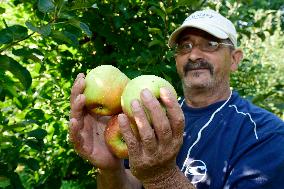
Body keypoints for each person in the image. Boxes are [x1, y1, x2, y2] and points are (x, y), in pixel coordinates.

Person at [69, 9, 284, 189]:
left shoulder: (266, 134)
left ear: (235, 59)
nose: (193, 55)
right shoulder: (148, 115)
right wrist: (111, 169)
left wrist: (163, 178)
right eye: (185, 46)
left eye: (210, 44)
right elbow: (130, 185)